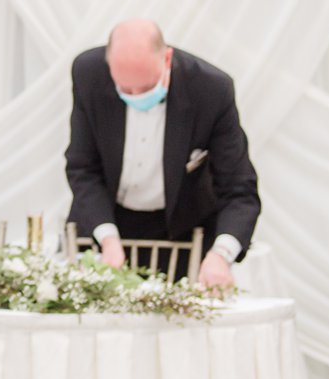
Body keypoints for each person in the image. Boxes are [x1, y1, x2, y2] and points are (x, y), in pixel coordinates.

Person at [65, 19, 260, 287]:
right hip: (104, 224)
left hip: (180, 229)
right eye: (125, 88)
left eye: (145, 88)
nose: (135, 95)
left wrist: (221, 255)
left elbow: (239, 189)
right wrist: (108, 240)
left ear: (167, 58)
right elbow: (82, 168)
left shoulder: (211, 89)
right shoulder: (88, 73)